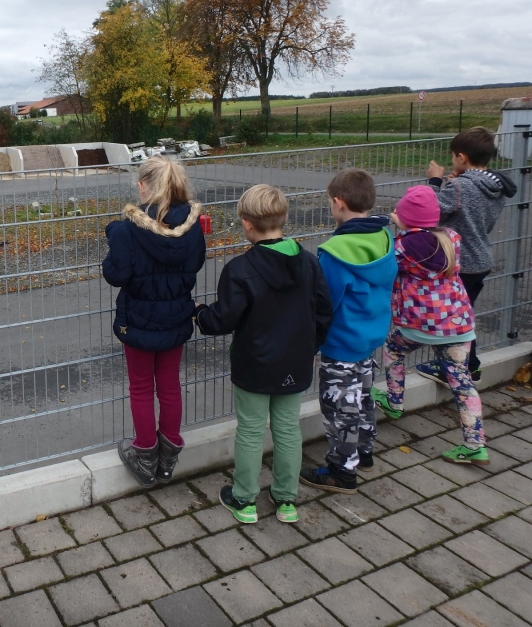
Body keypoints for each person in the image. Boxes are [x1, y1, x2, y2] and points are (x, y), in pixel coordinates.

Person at [194, 184, 332, 524]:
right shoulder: (309, 263)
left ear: (246, 223)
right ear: (283, 218)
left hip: (254, 365)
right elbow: (324, 313)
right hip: (295, 364)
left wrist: (199, 315)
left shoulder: (240, 269)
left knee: (251, 430)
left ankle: (244, 499)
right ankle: (286, 500)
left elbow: (223, 318)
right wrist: (310, 348)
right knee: (287, 429)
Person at [102, 156, 207, 487]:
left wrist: (114, 235)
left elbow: (115, 274)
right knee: (170, 384)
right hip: (176, 317)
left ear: (144, 185)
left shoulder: (127, 230)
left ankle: (145, 452)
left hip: (138, 320)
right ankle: (168, 456)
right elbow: (196, 264)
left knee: (142, 386)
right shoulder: (191, 227)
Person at [371, 185, 488, 464]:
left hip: (419, 324)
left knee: (394, 349)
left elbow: (385, 265)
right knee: (461, 381)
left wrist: (397, 227)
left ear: (406, 218)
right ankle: (475, 444)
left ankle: (394, 400)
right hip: (458, 325)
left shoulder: (402, 248)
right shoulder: (452, 238)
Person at [299, 169, 396, 494]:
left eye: (330, 202)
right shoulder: (383, 238)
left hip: (341, 345)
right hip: (369, 338)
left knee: (341, 406)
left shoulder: (335, 253)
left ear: (338, 203)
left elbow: (323, 305)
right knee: (364, 396)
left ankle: (342, 471)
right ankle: (363, 452)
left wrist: (310, 345)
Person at [420, 127, 516, 383]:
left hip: (459, 263)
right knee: (464, 315)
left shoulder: (461, 187)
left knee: (448, 319)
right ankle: (470, 366)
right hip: (480, 260)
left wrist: (436, 182)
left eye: (453, 156)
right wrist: (455, 183)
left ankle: (450, 368)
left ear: (461, 157)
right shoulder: (493, 186)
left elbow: (431, 212)